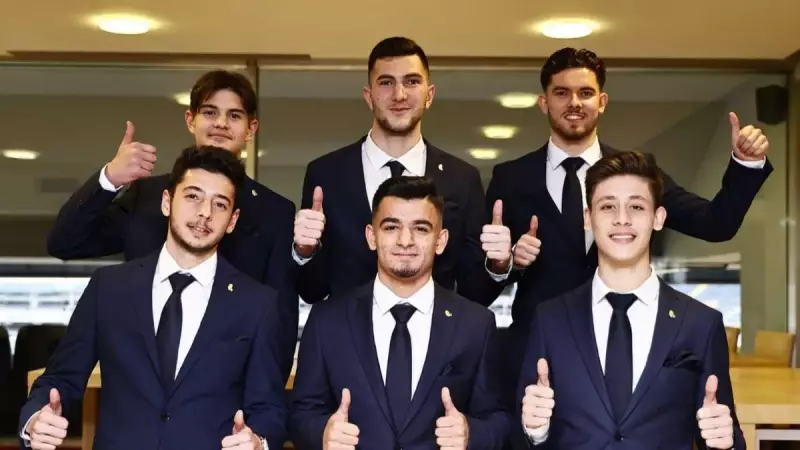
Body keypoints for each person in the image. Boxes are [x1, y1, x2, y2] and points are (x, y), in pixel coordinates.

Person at [481, 47, 772, 399]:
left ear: (602, 101)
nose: (574, 102)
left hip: (620, 349)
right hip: (534, 355)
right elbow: (477, 286)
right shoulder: (511, 178)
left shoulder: (636, 172)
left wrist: (746, 165)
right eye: (561, 93)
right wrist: (506, 263)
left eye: (585, 93)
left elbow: (715, 224)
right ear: (544, 103)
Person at [20, 147, 288, 450]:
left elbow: (269, 408)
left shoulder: (257, 304)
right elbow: (61, 377)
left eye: (220, 204)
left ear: (232, 220)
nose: (205, 212)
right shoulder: (110, 288)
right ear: (166, 202)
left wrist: (258, 441)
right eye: (193, 196)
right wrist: (36, 418)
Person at [45, 70, 298, 382]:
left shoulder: (274, 211)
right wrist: (109, 178)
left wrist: (260, 402)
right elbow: (65, 242)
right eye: (210, 112)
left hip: (228, 390)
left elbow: (281, 322)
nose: (221, 123)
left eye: (234, 115)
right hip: (140, 383)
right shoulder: (149, 195)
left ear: (251, 128)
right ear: (191, 120)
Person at [515, 151, 742, 449]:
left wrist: (725, 443)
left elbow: (725, 431)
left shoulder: (701, 324)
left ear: (658, 218)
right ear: (588, 218)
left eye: (636, 206)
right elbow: (520, 437)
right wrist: (535, 431)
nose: (622, 219)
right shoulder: (550, 319)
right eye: (608, 206)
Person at [289, 176, 510, 450]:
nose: (406, 241)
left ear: (441, 241)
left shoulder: (476, 324)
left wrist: (470, 434)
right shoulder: (327, 321)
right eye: (391, 227)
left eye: (421, 229)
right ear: (372, 236)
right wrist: (322, 433)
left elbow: (499, 419)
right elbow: (301, 413)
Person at [292, 36, 495, 306]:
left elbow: (476, 292)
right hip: (348, 329)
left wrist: (499, 263)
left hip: (434, 331)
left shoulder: (462, 178)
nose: (399, 95)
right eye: (386, 82)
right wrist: (304, 251)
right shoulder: (326, 174)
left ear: (429, 95)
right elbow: (311, 291)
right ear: (369, 96)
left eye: (411, 82)